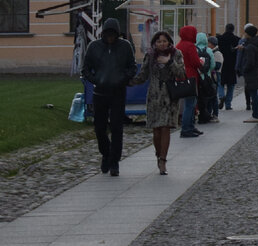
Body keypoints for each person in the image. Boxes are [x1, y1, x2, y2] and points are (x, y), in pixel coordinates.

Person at [80, 17, 137, 176]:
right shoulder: (94, 47)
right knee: (99, 127)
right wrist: (96, 80)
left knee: (117, 127)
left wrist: (123, 78)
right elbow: (85, 69)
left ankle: (114, 161)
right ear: (104, 34)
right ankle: (106, 153)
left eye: (113, 34)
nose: (110, 37)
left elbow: (132, 67)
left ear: (117, 34)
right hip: (100, 92)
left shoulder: (125, 47)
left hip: (118, 92)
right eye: (108, 34)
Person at [130, 30, 185, 175]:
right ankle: (158, 152)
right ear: (155, 43)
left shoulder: (176, 54)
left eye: (164, 41)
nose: (162, 44)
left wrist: (169, 62)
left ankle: (163, 160)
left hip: (169, 97)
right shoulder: (150, 55)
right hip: (154, 96)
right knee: (156, 129)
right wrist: (129, 81)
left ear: (169, 42)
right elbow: (143, 75)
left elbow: (181, 73)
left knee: (165, 127)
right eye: (159, 41)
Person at [175, 25, 202, 138]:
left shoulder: (179, 45)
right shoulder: (190, 46)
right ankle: (187, 128)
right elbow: (195, 62)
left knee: (188, 103)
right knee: (190, 104)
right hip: (190, 75)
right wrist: (201, 62)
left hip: (182, 76)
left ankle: (189, 126)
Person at [236, 24, 258, 123]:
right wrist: (244, 49)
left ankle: (255, 115)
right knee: (255, 94)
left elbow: (250, 62)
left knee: (253, 94)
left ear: (248, 34)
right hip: (257, 72)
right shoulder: (256, 43)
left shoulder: (250, 46)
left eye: (245, 33)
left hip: (252, 74)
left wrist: (244, 70)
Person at [194, 32, 217, 124]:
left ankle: (195, 114)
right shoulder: (209, 50)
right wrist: (207, 72)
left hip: (196, 76)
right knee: (206, 97)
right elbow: (213, 65)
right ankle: (204, 116)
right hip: (206, 77)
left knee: (196, 97)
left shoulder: (194, 50)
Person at [217, 23, 240, 110]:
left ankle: (221, 95)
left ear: (225, 29)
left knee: (220, 82)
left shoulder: (220, 39)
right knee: (231, 85)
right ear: (233, 29)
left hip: (222, 64)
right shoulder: (237, 39)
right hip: (232, 65)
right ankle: (228, 104)